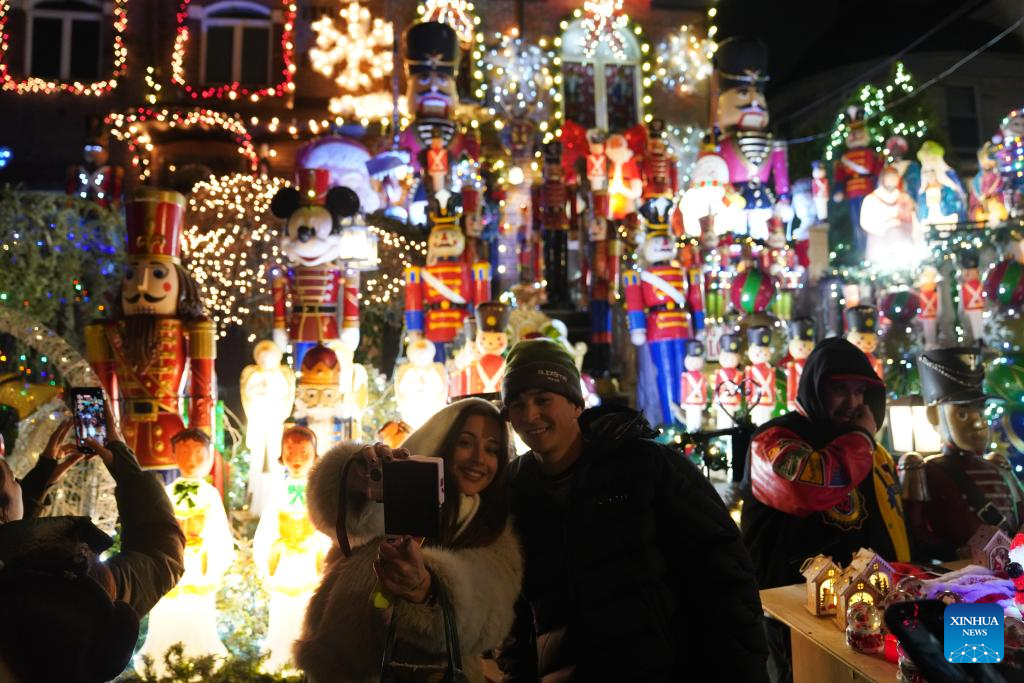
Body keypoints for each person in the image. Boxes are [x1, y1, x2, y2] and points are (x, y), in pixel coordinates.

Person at [496, 339, 768, 681]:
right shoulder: (514, 490)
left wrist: (742, 669)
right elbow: (514, 609)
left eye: (543, 400)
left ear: (576, 404)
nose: (530, 415)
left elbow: (724, 573)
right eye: (517, 404)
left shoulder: (644, 466)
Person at [294, 398, 523, 683]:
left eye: (492, 449)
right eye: (465, 443)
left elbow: (487, 622)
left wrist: (427, 592)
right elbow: (333, 519)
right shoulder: (392, 493)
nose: (478, 458)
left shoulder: (494, 530)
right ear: (442, 441)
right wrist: (352, 477)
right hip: (338, 668)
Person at [740, 337, 910, 683]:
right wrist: (861, 439)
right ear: (815, 388)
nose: (854, 402)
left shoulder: (867, 445)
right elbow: (806, 489)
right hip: (795, 616)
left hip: (870, 611)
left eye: (860, 392)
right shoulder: (772, 439)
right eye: (840, 390)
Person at [0, 404, 186, 683]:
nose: (20, 484)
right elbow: (162, 557)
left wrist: (39, 481)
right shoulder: (61, 579)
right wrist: (124, 466)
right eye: (14, 479)